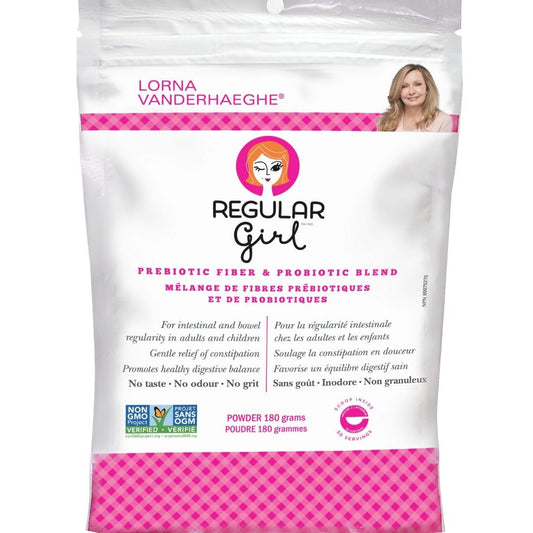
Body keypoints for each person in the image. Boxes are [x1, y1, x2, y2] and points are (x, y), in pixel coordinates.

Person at [378, 64, 453, 132]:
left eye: (417, 84)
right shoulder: (385, 120)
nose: (411, 92)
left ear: (427, 88)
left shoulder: (443, 121)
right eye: (404, 86)